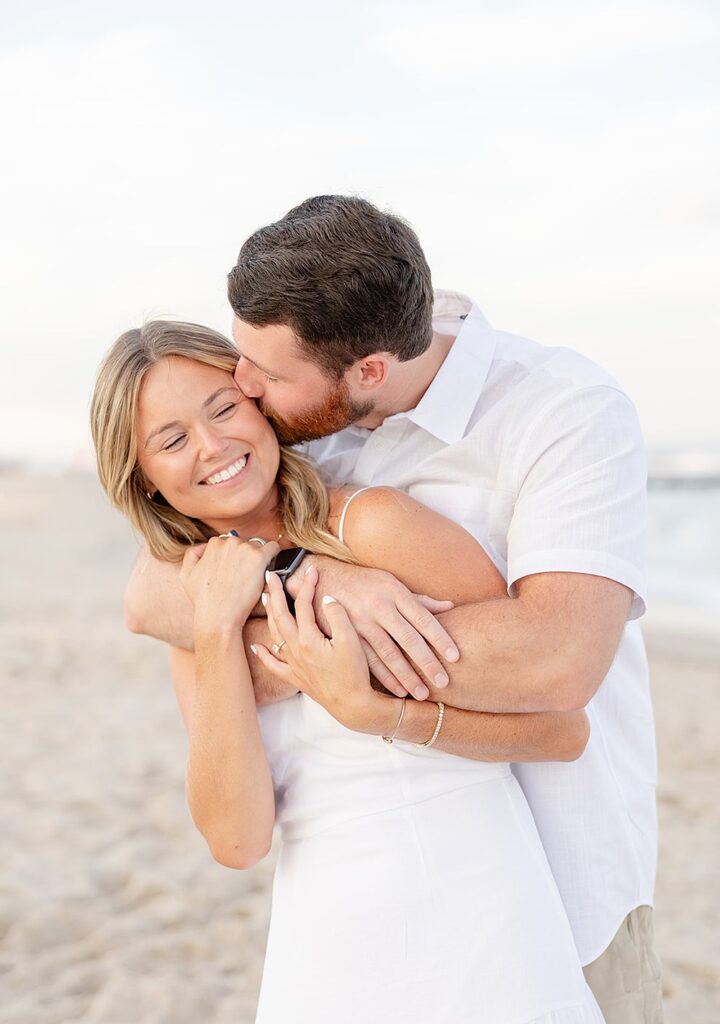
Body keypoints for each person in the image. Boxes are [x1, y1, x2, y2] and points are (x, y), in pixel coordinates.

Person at [125, 196, 662, 1024]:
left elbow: (557, 664)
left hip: (566, 874)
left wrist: (316, 648)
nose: (243, 388)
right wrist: (319, 587)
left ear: (368, 371)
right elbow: (152, 587)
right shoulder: (297, 417)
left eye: (258, 379)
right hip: (338, 925)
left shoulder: (563, 412)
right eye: (240, 361)